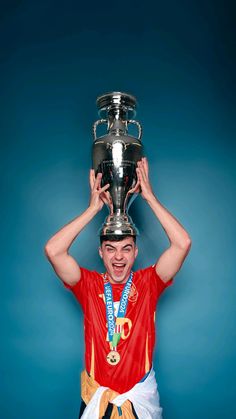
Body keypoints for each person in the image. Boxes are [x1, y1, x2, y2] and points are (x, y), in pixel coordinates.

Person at [45, 157, 191, 418]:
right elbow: (53, 250)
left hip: (138, 401)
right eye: (110, 249)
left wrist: (151, 199)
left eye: (126, 249)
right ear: (101, 253)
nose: (119, 258)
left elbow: (182, 243)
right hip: (96, 399)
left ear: (136, 252)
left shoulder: (149, 282)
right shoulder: (87, 285)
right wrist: (92, 210)